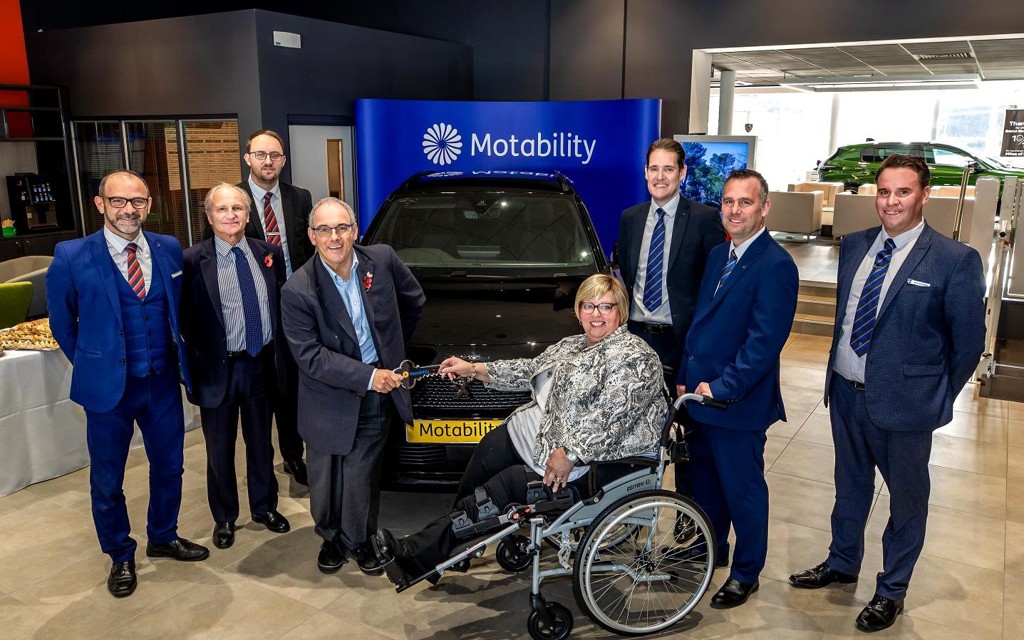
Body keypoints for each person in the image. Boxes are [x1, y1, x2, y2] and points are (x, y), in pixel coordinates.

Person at [788, 154, 986, 632]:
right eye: (883, 191)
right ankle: (841, 563)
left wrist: (936, 398)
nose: (891, 201)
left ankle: (891, 589)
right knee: (849, 488)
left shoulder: (953, 260)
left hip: (906, 407)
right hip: (846, 395)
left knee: (907, 501)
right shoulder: (855, 245)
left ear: (924, 195)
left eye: (902, 192)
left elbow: (968, 345)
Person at [371, 274, 669, 589]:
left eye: (605, 306)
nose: (596, 314)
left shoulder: (634, 357)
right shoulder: (573, 344)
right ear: (578, 311)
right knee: (484, 459)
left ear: (620, 311)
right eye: (588, 306)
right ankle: (451, 550)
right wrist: (474, 369)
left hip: (582, 461)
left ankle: (417, 553)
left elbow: (611, 417)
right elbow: (528, 370)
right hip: (530, 436)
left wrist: (570, 453)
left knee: (499, 491)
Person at [46, 170, 209, 599]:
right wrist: (97, 361)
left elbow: (179, 311)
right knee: (107, 478)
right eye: (118, 201)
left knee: (170, 466)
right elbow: (63, 325)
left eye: (136, 201)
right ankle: (120, 554)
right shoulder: (70, 255)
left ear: (148, 205)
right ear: (100, 204)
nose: (128, 209)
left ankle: (163, 534)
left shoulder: (168, 248)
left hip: (160, 384)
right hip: (108, 393)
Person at [280, 197, 425, 576]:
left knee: (361, 471)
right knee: (326, 476)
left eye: (342, 228)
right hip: (327, 394)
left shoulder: (383, 260)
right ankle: (330, 534)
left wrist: (389, 351)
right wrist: (366, 375)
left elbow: (413, 301)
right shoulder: (297, 289)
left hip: (378, 390)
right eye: (324, 230)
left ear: (355, 230)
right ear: (312, 236)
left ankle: (357, 540)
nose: (334, 237)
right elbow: (309, 356)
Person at [676, 169, 798, 609]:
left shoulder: (776, 265)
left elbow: (762, 345)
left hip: (736, 403)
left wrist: (722, 387)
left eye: (744, 202)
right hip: (701, 398)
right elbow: (701, 322)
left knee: (743, 491)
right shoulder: (717, 255)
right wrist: (687, 377)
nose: (733, 210)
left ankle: (747, 573)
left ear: (764, 207)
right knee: (707, 485)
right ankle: (712, 551)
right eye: (727, 201)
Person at [180, 183, 291, 550]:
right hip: (217, 370)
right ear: (209, 217)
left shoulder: (267, 254)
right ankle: (225, 516)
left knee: (262, 443)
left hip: (260, 365)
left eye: (237, 208)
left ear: (247, 215)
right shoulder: (192, 261)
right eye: (222, 209)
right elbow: (182, 320)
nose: (231, 215)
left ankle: (264, 506)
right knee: (219, 449)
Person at [616, 137, 725, 503]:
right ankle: (630, 512)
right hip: (636, 340)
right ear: (644, 172)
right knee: (632, 429)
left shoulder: (705, 220)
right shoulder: (630, 218)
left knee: (688, 438)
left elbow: (713, 289)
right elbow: (627, 278)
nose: (660, 176)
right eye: (653, 168)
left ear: (682, 172)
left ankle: (688, 522)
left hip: (684, 344)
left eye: (668, 168)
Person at [209, 129, 314, 486]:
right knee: (259, 392)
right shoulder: (231, 200)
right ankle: (260, 464)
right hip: (252, 304)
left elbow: (307, 251)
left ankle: (292, 455)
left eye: (275, 155)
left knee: (291, 386)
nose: (268, 161)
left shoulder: (300, 198)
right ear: (248, 158)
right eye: (260, 154)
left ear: (283, 161)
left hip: (295, 305)